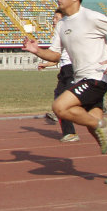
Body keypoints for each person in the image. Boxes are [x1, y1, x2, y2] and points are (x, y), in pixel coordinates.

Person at [22, 0, 107, 184]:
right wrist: (36, 50)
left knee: (60, 107)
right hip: (82, 78)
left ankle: (104, 124)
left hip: (97, 76)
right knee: (96, 129)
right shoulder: (62, 24)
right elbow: (55, 55)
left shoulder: (90, 17)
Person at [38, 9, 79, 142]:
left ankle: (96, 102)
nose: (53, 21)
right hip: (64, 70)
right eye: (53, 18)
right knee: (58, 97)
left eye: (56, 18)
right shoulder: (58, 35)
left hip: (74, 69)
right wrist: (46, 64)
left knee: (67, 99)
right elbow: (56, 57)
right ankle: (70, 133)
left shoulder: (71, 32)